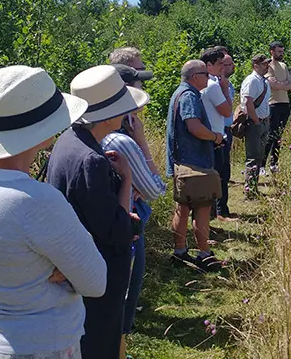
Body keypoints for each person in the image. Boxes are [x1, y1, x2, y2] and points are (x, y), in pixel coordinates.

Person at [0, 65, 106, 359]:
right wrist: (67, 265)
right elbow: (96, 282)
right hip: (40, 346)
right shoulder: (38, 200)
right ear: (43, 134)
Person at [47, 65, 149, 359]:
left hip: (75, 273)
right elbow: (115, 231)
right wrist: (127, 181)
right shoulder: (92, 160)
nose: (126, 116)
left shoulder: (68, 141)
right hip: (97, 277)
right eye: (122, 109)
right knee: (100, 344)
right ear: (107, 115)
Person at [104, 58, 165, 355]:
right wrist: (141, 140)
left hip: (113, 223)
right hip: (126, 224)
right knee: (125, 296)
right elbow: (156, 188)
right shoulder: (122, 140)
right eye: (139, 84)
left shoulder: (95, 134)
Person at [167, 60, 224, 271]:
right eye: (205, 74)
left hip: (183, 163)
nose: (208, 78)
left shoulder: (180, 93)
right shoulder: (190, 95)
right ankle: (204, 254)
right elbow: (193, 126)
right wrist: (215, 137)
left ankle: (180, 252)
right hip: (195, 163)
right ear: (194, 77)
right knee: (201, 208)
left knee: (182, 208)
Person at [241, 54, 271, 197]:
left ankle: (253, 188)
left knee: (259, 156)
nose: (267, 66)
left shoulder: (263, 81)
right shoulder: (252, 80)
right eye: (264, 64)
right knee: (253, 157)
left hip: (263, 121)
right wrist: (257, 122)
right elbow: (248, 103)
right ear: (256, 66)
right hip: (255, 122)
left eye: (267, 63)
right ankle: (250, 190)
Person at [215, 48, 237, 219]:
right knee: (219, 171)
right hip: (219, 133)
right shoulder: (217, 85)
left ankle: (223, 208)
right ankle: (218, 210)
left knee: (225, 171)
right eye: (229, 64)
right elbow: (225, 111)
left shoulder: (228, 84)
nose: (232, 66)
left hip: (227, 131)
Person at [264, 41, 291, 173]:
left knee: (279, 136)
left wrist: (282, 84)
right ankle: (261, 165)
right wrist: (283, 84)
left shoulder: (284, 65)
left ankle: (274, 163)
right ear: (272, 52)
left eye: (282, 51)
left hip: (285, 103)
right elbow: (273, 85)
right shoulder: (268, 66)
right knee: (271, 135)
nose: (281, 54)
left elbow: (290, 84)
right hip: (273, 103)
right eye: (279, 51)